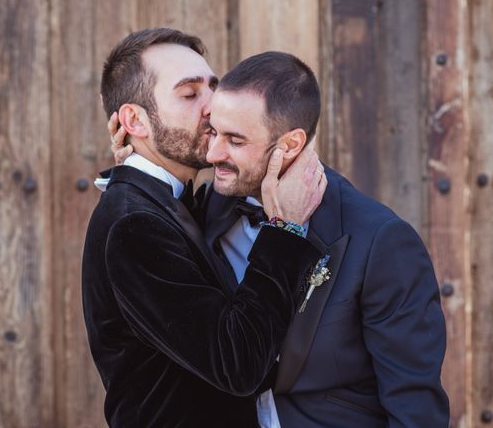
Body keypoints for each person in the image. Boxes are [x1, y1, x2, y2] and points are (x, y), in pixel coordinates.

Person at [111, 50, 449, 427]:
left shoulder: (381, 243)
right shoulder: (210, 207)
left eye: (235, 140)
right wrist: (140, 157)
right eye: (214, 131)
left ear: (289, 145)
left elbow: (416, 411)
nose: (213, 151)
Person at [82, 28, 327, 427]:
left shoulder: (160, 202)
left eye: (214, 86)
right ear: (134, 120)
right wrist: (285, 231)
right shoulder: (135, 226)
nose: (213, 106)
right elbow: (239, 365)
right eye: (190, 93)